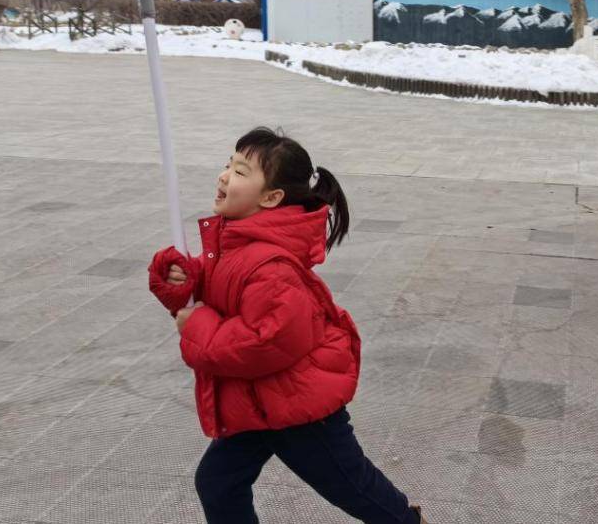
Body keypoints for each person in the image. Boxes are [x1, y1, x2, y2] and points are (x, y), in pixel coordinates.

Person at [147, 127, 429, 524]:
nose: (225, 175)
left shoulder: (272, 266)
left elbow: (263, 342)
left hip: (297, 407)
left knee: (351, 485)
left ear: (272, 198)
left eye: (241, 171)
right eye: (228, 164)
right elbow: (215, 295)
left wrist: (198, 324)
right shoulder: (236, 245)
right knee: (218, 482)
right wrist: (179, 280)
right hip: (257, 403)